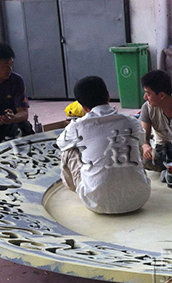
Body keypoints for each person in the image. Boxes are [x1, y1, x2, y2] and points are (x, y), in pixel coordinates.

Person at [56, 76, 150, 214]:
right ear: (108, 96)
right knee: (135, 142)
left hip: (97, 202)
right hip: (139, 198)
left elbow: (60, 143)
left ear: (83, 107)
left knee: (69, 150)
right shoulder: (130, 121)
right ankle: (131, 181)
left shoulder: (77, 126)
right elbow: (142, 141)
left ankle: (82, 189)